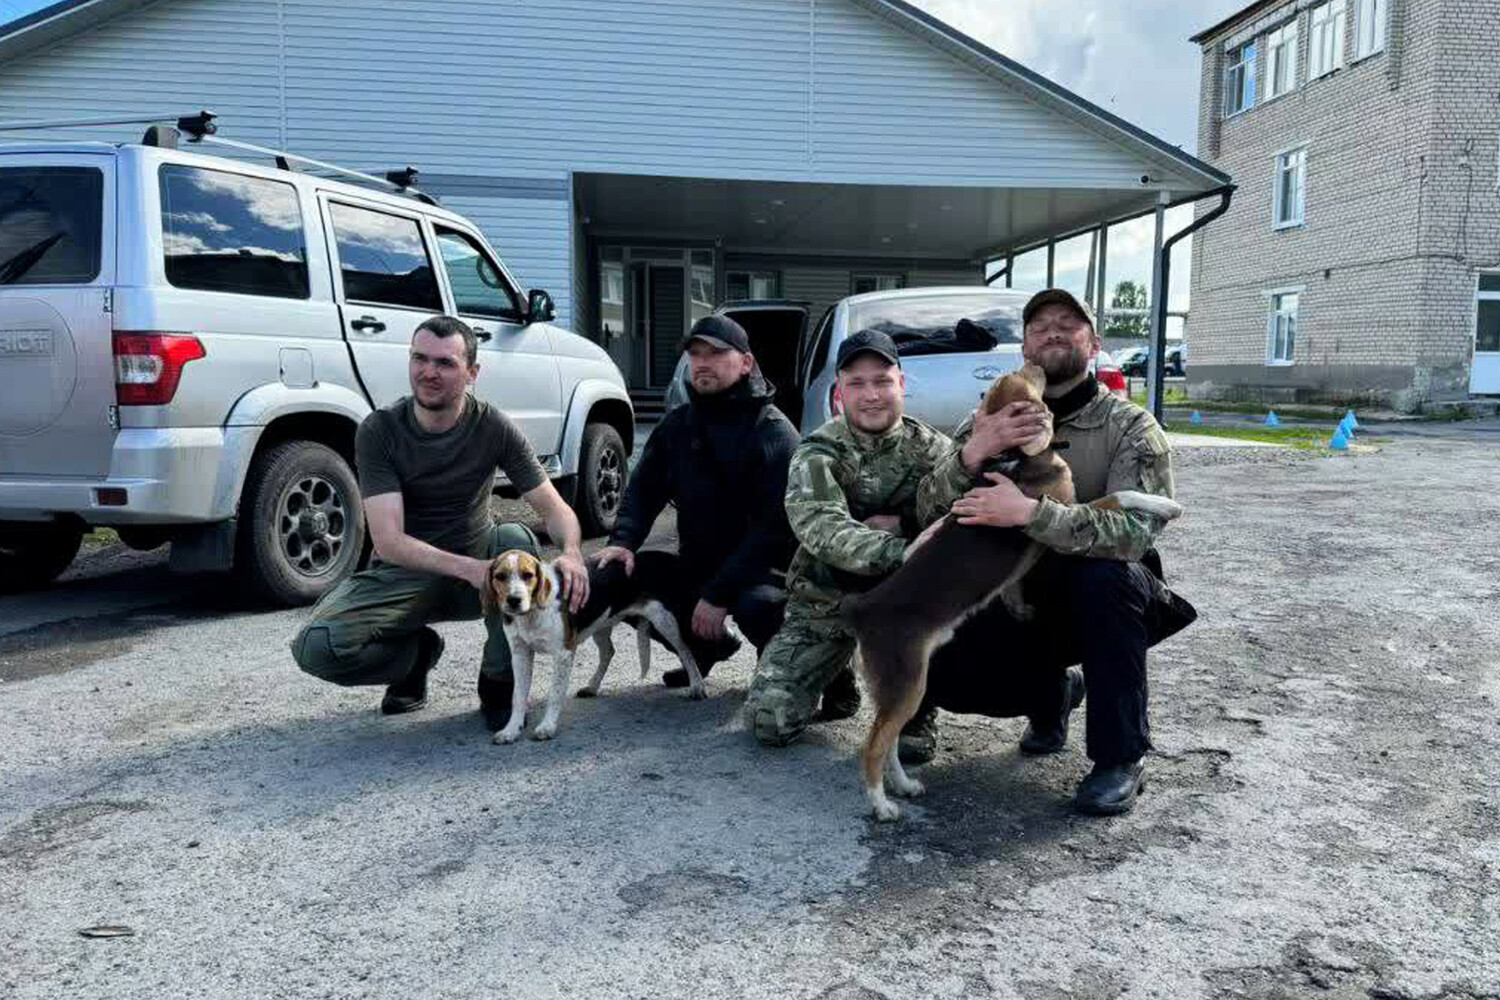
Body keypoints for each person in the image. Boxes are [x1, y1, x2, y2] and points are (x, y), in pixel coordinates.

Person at [913, 287, 1195, 815]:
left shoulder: (1130, 426)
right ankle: (1053, 695)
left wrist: (1031, 514)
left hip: (1089, 599)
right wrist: (973, 451)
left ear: (1094, 344)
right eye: (1040, 324)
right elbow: (926, 511)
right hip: (1009, 593)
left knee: (1109, 580)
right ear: (1024, 346)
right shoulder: (987, 419)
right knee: (952, 674)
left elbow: (1136, 533)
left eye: (1070, 322)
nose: (1053, 331)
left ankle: (1120, 757)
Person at [744, 329, 1050, 754]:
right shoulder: (816, 453)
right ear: (839, 393)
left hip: (911, 605)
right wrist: (901, 548)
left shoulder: (934, 447)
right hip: (827, 601)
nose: (871, 395)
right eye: (857, 383)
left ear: (902, 385)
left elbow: (959, 510)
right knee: (768, 721)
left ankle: (920, 713)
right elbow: (822, 527)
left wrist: (969, 458)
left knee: (960, 669)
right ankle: (839, 674)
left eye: (882, 381)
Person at [290, 316, 590, 732]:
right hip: (406, 574)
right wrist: (469, 570)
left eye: (445, 363)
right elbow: (390, 541)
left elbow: (554, 509)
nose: (429, 372)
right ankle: (414, 659)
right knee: (316, 647)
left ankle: (499, 681)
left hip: (480, 567)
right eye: (419, 358)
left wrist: (573, 552)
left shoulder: (493, 426)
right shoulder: (379, 430)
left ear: (472, 373)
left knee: (513, 539)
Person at [591, 315, 846, 701]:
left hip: (764, 572)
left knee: (756, 605)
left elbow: (773, 531)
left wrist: (717, 594)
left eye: (715, 353)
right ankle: (703, 648)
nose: (702, 363)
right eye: (695, 354)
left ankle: (797, 668)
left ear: (746, 363)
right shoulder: (678, 426)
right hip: (699, 563)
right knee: (618, 572)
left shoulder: (774, 434)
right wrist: (623, 540)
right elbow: (643, 489)